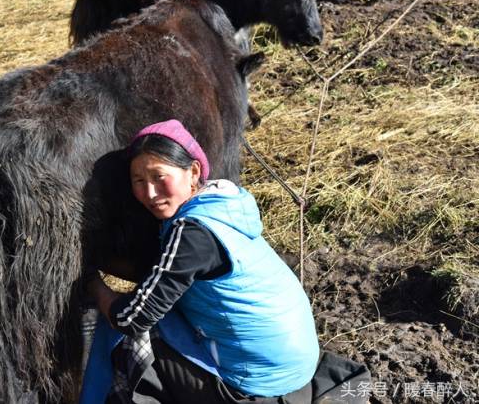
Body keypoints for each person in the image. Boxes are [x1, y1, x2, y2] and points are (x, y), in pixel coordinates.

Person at [81, 119, 369, 404]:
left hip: (253, 385)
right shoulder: (223, 204)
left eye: (159, 177)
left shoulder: (191, 234)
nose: (150, 193)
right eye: (139, 181)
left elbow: (131, 318)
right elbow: (162, 276)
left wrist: (95, 286)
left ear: (193, 172)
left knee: (125, 337)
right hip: (295, 366)